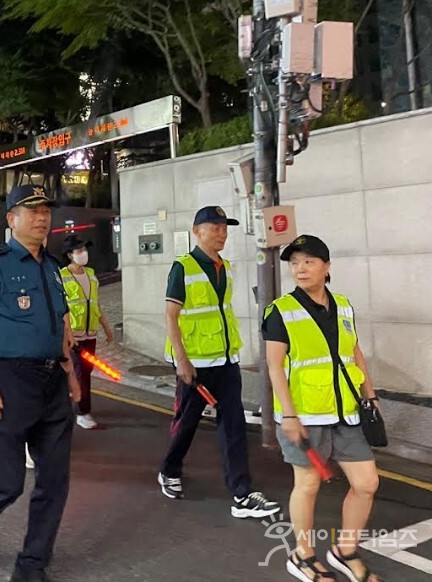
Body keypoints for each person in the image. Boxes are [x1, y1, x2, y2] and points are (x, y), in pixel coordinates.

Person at [0, 185, 81, 582]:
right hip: (10, 379)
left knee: (54, 480)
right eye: (32, 211)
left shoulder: (52, 267)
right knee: (7, 482)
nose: (42, 218)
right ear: (11, 220)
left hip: (53, 382)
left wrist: (71, 374)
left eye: (45, 211)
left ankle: (31, 565)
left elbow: (61, 325)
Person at [262, 235, 380, 582]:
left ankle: (345, 550)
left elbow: (354, 352)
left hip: (346, 409)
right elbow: (273, 366)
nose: (300, 268)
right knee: (308, 485)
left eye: (309, 261)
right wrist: (289, 415)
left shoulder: (343, 305)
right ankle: (303, 556)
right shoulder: (281, 310)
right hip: (307, 412)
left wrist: (369, 394)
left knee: (367, 482)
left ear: (326, 267)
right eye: (295, 262)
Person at [158, 205, 280, 519]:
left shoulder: (224, 267)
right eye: (215, 227)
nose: (222, 233)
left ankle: (242, 493)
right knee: (187, 421)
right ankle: (169, 469)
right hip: (195, 363)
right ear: (197, 231)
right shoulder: (183, 267)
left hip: (226, 361)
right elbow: (171, 316)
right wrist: (182, 361)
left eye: (225, 227)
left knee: (233, 424)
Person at [61, 233, 115, 430]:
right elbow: (61, 309)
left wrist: (106, 328)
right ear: (69, 255)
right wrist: (66, 334)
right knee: (80, 372)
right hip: (72, 333)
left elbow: (95, 304)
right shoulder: (62, 276)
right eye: (79, 250)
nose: (83, 253)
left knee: (85, 371)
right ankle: (83, 412)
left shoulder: (91, 274)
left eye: (85, 249)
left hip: (90, 333)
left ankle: (73, 403)